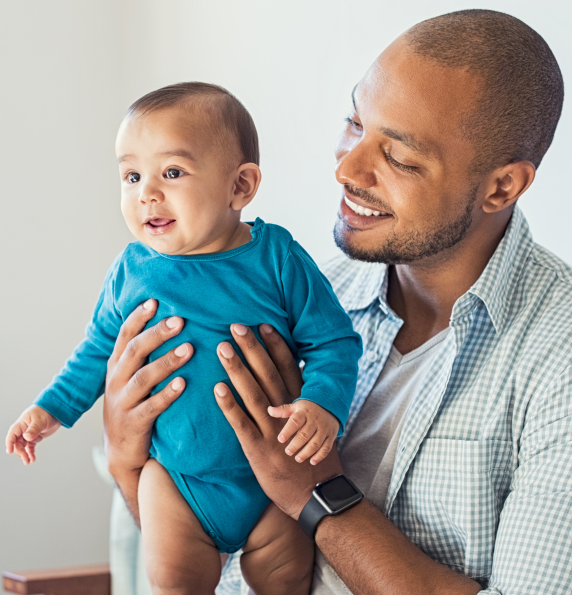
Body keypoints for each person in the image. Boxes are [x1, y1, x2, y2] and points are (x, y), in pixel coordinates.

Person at [103, 10, 572, 595]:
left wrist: (318, 494)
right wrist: (130, 462)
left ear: (501, 186)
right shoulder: (299, 302)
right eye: (355, 122)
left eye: (400, 158)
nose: (347, 168)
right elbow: (208, 546)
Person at [5, 82, 363, 595]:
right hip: (176, 482)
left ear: (240, 186)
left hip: (274, 485)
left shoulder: (277, 257)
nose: (146, 192)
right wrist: (49, 410)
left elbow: (333, 343)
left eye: (171, 172)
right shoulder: (132, 270)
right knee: (174, 581)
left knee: (283, 580)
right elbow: (97, 351)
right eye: (131, 175)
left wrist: (322, 406)